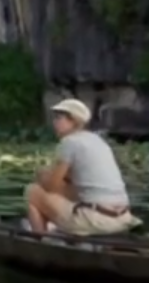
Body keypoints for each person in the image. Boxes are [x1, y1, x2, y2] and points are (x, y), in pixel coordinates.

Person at [23, 99, 140, 235]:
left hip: (95, 221)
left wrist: (43, 177)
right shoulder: (97, 140)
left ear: (74, 121)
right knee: (69, 190)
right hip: (124, 218)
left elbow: (52, 187)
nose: (54, 122)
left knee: (32, 192)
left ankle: (40, 240)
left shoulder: (69, 142)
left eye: (59, 118)